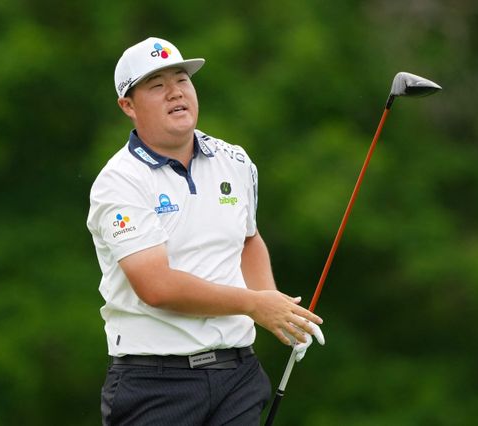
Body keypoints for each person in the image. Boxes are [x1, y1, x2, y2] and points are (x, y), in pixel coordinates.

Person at [86, 36, 325, 425]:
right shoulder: (120, 181)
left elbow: (248, 239)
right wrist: (255, 304)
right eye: (157, 86)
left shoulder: (235, 160)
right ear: (128, 105)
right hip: (155, 382)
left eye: (182, 80)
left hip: (237, 376)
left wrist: (277, 310)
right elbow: (156, 286)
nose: (175, 93)